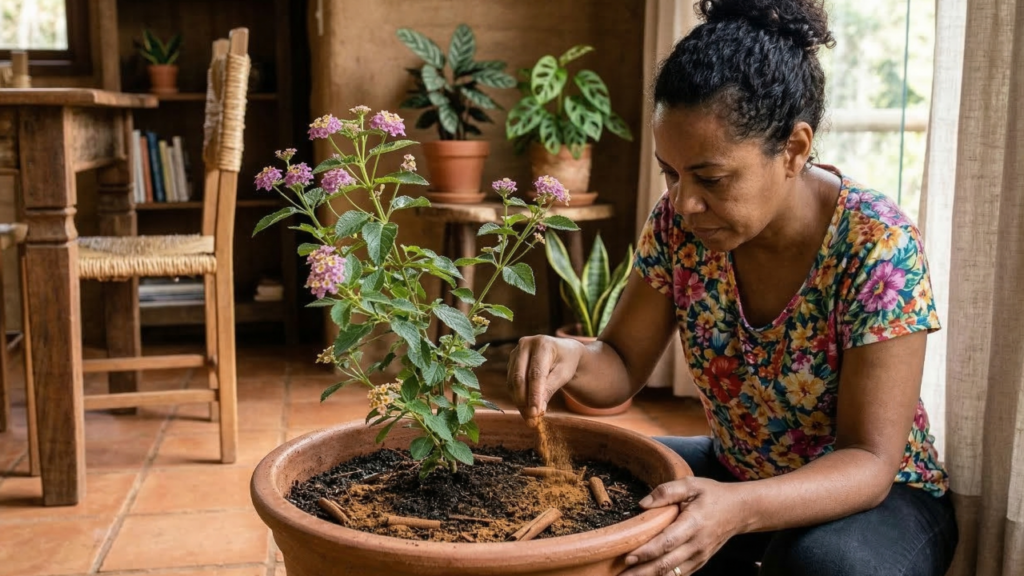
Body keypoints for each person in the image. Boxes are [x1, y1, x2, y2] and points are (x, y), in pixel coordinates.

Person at [506, 0, 959, 574]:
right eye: (670, 172)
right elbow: (620, 364)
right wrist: (570, 356)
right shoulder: (681, 225)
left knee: (826, 566)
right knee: (583, 487)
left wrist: (738, 510)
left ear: (793, 150)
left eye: (710, 178)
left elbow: (868, 460)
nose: (682, 201)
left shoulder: (876, 242)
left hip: (878, 495)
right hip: (737, 472)